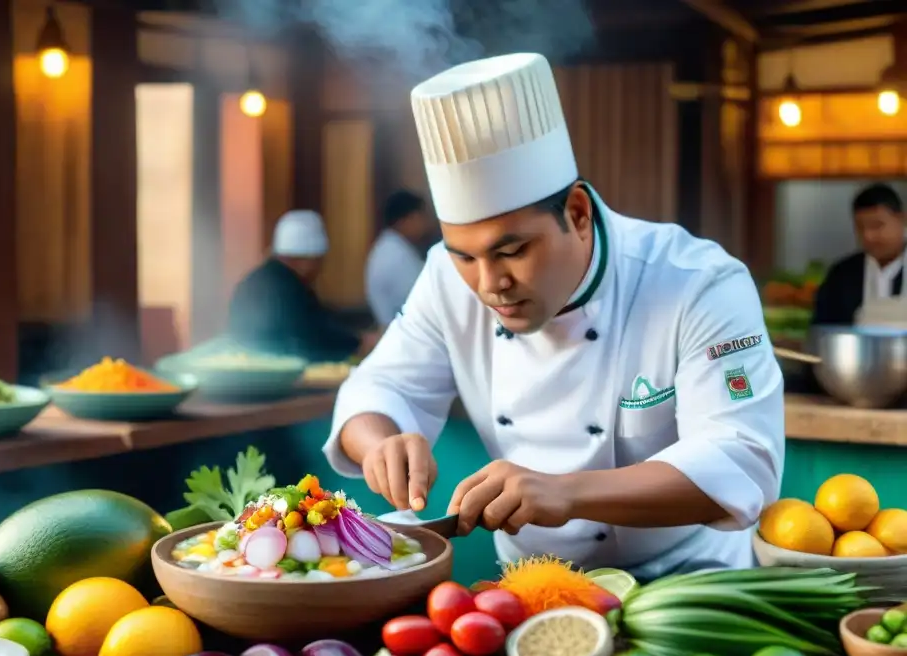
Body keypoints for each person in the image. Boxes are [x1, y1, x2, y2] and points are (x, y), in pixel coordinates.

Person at [321, 53, 785, 581]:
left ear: (578, 215)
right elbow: (379, 387)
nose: (488, 283)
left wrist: (566, 491)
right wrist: (381, 441)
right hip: (531, 587)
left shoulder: (697, 280)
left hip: (691, 583)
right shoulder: (445, 277)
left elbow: (743, 460)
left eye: (512, 251)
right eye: (465, 255)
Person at [227, 210, 376, 362]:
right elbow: (312, 334)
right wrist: (357, 342)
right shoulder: (286, 287)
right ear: (306, 259)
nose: (319, 269)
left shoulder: (261, 279)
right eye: (318, 261)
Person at [812, 183, 907, 326]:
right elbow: (822, 330)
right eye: (860, 227)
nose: (868, 236)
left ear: (902, 219)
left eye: (877, 225)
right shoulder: (841, 275)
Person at [365, 190, 431, 326]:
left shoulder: (393, 246)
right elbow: (424, 298)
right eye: (421, 217)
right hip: (399, 329)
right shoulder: (395, 254)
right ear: (404, 220)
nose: (425, 224)